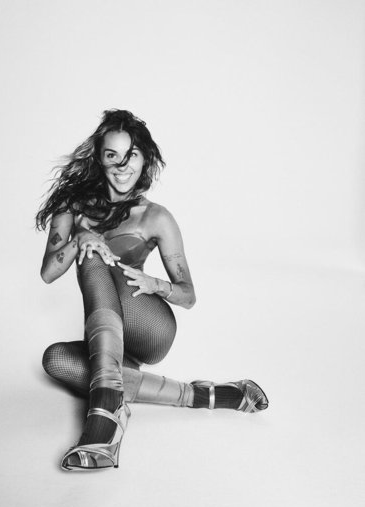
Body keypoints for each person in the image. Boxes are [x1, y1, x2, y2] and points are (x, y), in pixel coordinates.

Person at [36, 109, 268, 471]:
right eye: (112, 155)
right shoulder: (73, 205)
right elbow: (49, 272)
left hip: (147, 326)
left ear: (145, 159)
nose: (122, 165)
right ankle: (202, 394)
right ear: (99, 159)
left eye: (131, 155)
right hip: (108, 341)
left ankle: (106, 416)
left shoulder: (156, 217)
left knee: (94, 253)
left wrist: (155, 284)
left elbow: (188, 295)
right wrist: (80, 236)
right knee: (56, 359)